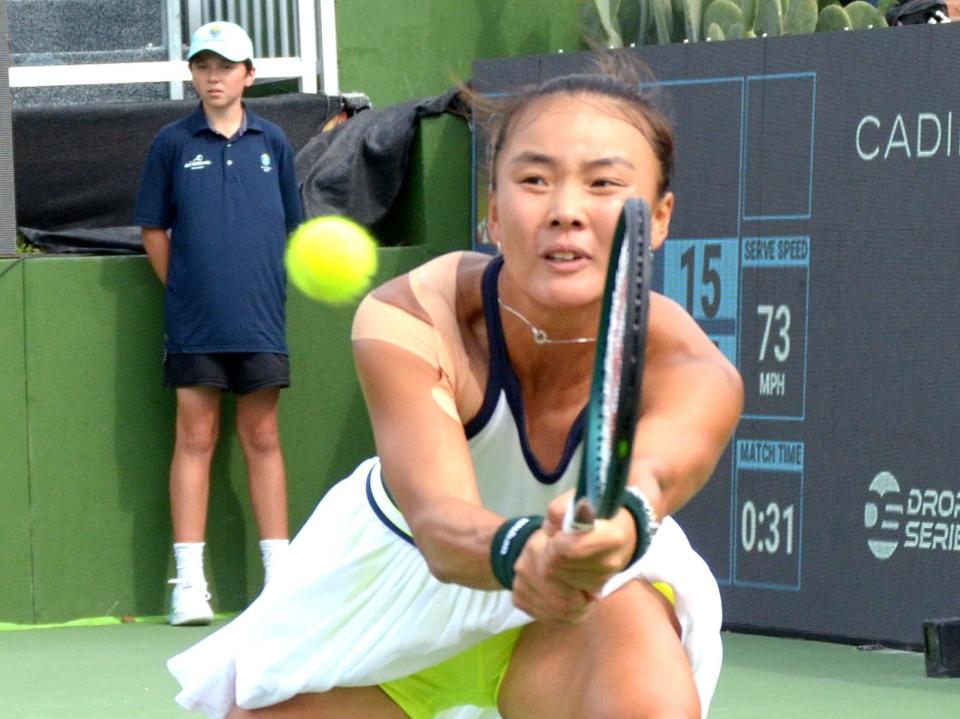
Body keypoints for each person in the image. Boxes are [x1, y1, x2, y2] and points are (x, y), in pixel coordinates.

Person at [167, 57, 743, 718]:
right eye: (534, 179)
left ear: (660, 217)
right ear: (493, 214)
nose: (566, 211)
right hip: (386, 588)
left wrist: (619, 526)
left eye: (604, 182)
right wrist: (521, 548)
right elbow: (442, 522)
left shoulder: (695, 368)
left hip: (579, 615)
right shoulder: (413, 317)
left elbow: (656, 473)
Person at [134, 20, 304, 626]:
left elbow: (290, 229)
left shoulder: (274, 144)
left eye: (226, 66)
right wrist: (182, 291)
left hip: (260, 321)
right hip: (194, 325)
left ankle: (280, 582)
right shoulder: (171, 144)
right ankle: (189, 586)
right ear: (193, 74)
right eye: (203, 66)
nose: (214, 76)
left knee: (262, 439)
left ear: (248, 76)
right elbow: (155, 230)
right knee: (195, 440)